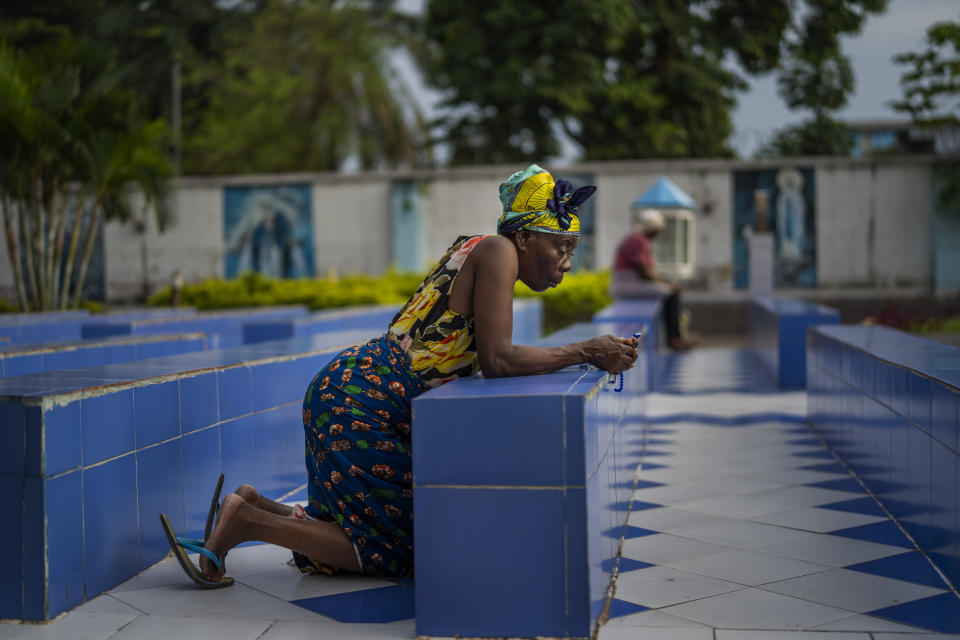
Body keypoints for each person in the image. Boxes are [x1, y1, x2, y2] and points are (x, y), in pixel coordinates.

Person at [161, 164, 640, 587]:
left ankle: (255, 504)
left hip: (353, 388)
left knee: (368, 524)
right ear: (523, 237)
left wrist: (583, 353)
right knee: (395, 551)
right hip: (365, 402)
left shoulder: (481, 249)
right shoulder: (497, 252)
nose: (567, 262)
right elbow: (500, 361)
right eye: (560, 245)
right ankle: (247, 522)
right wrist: (585, 350)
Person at [610, 208, 693, 351]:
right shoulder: (638, 240)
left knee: (670, 290)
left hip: (631, 283)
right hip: (628, 285)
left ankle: (676, 337)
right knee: (671, 294)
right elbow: (644, 273)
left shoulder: (637, 239)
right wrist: (667, 284)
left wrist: (664, 283)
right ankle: (674, 339)